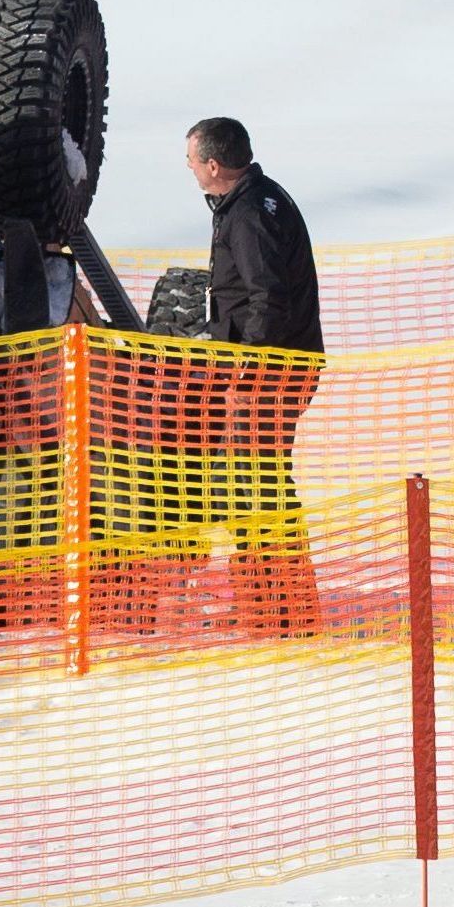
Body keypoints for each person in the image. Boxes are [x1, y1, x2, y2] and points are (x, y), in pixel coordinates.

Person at [183, 116, 324, 635]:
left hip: (269, 375)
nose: (191, 170)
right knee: (255, 486)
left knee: (256, 487)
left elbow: (268, 295)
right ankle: (271, 605)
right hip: (277, 369)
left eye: (193, 161)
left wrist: (251, 369)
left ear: (213, 165)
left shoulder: (248, 214)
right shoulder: (255, 199)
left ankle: (280, 611)